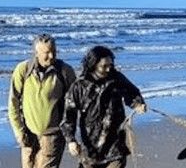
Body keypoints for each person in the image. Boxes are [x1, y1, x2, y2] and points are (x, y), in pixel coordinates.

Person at [62, 45, 147, 168]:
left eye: (110, 65)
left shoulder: (117, 78)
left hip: (115, 146)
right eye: (104, 66)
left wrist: (138, 104)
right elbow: (69, 115)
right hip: (90, 149)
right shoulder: (79, 86)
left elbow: (132, 92)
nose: (108, 69)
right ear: (93, 65)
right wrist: (71, 140)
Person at [8, 33, 77, 168]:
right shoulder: (23, 70)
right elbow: (13, 103)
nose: (51, 56)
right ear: (36, 53)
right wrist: (19, 131)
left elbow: (75, 103)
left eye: (54, 51)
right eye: (47, 52)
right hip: (28, 134)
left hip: (53, 135)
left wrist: (71, 137)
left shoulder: (65, 71)